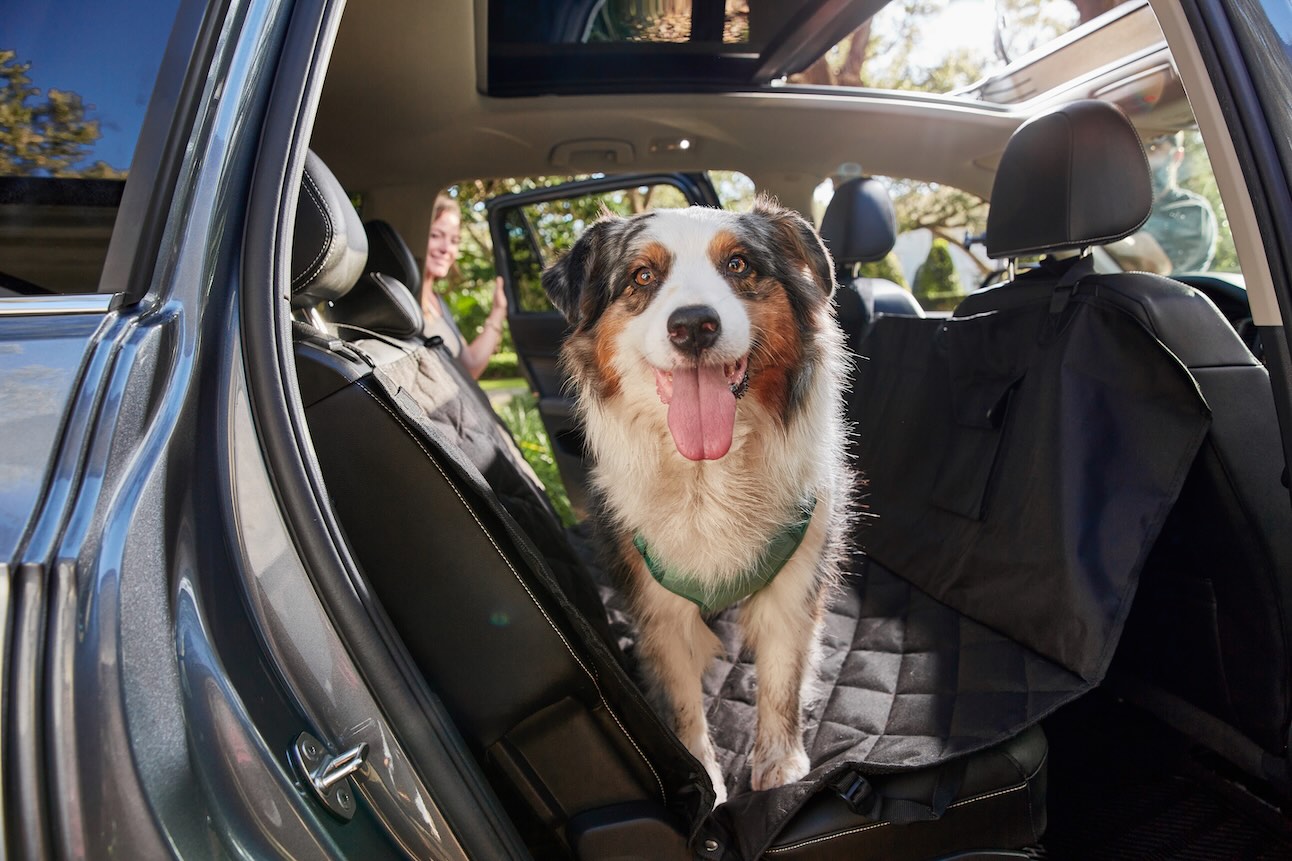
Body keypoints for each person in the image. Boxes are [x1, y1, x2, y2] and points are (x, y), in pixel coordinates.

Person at [419, 193, 508, 379]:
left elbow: (470, 366)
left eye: (454, 240)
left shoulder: (437, 302)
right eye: (436, 235)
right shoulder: (403, 301)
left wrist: (498, 311)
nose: (446, 249)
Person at [1139, 132, 1218, 274]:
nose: (1142, 157)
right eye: (1138, 148)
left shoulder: (1194, 211)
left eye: (1152, 148)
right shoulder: (1119, 205)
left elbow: (1148, 262)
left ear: (1177, 156)